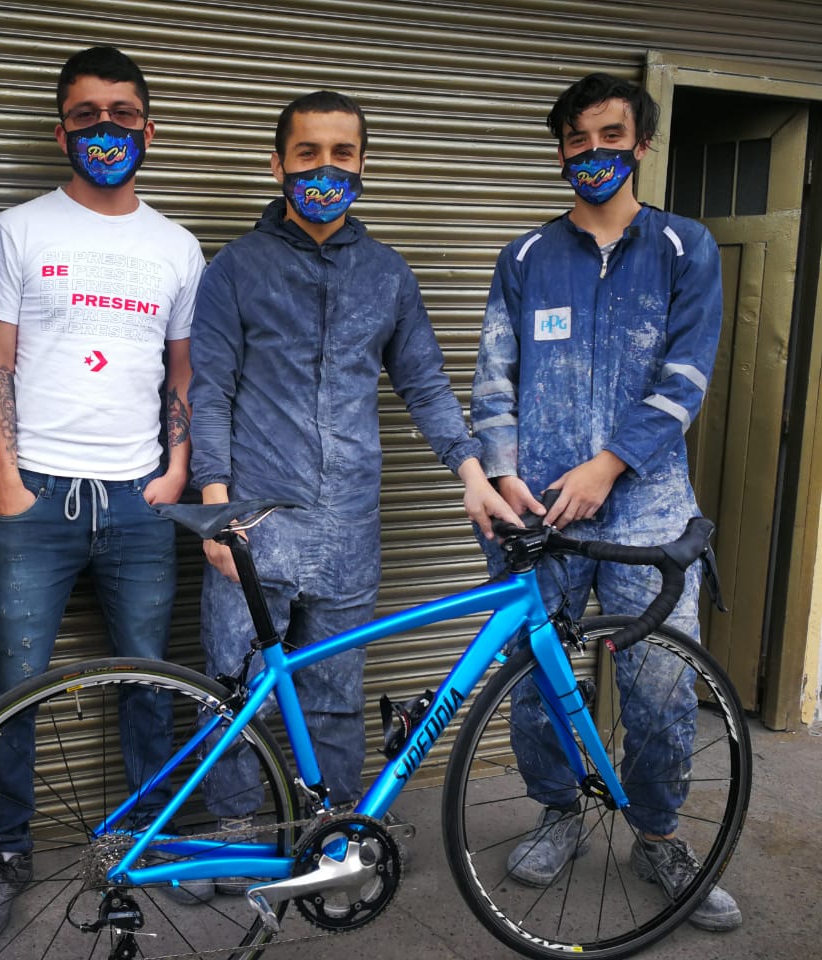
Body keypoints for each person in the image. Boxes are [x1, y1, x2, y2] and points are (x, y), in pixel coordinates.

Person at [188, 91, 520, 852]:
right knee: (234, 690)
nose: (325, 169)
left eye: (342, 154)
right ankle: (235, 834)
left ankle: (332, 831)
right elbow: (209, 391)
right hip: (255, 524)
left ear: (364, 163)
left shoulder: (388, 275)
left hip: (348, 529)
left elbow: (424, 385)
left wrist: (471, 472)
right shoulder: (234, 269)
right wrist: (215, 507)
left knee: (335, 693)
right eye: (308, 153)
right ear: (278, 164)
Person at [470, 72, 741, 931]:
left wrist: (608, 466)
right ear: (560, 150)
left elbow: (686, 377)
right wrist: (503, 472)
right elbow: (493, 378)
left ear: (641, 144)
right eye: (577, 139)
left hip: (647, 511)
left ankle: (658, 834)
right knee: (536, 685)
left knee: (661, 685)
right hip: (539, 512)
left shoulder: (685, 247)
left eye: (611, 137)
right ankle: (560, 812)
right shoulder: (524, 257)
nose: (593, 153)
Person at [0, 46, 204, 944]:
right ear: (61, 130)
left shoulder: (177, 247)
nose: (106, 130)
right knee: (13, 686)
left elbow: (183, 368)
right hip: (39, 496)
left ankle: (149, 838)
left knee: (149, 679)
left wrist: (174, 472)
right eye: (87, 115)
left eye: (123, 115)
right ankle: (3, 853)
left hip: (140, 498)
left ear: (150, 129)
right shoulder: (19, 230)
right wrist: (7, 479)